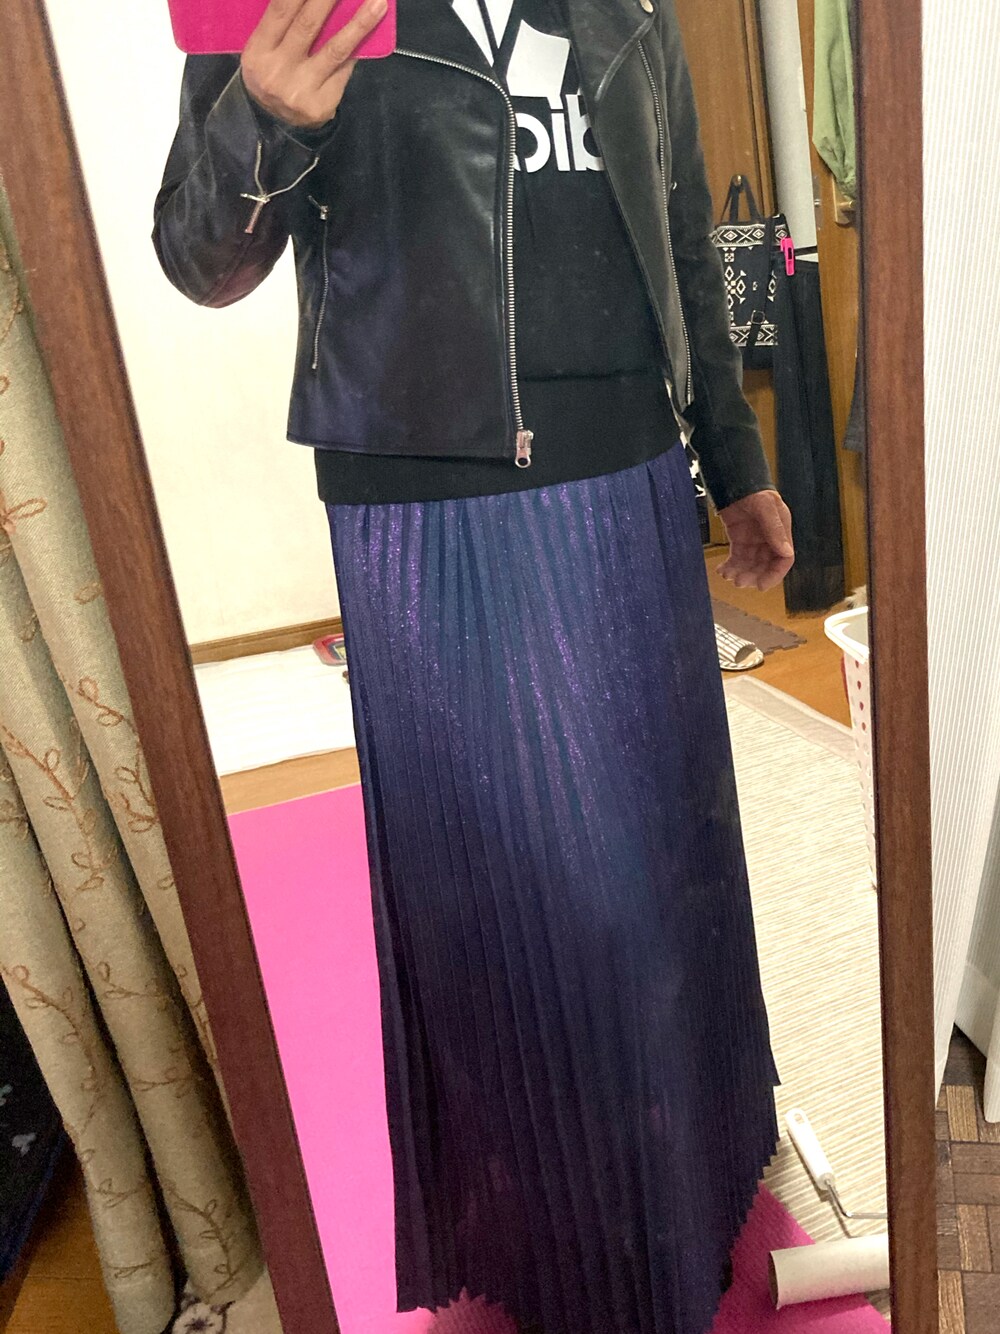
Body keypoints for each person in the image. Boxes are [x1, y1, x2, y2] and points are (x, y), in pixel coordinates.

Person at [153, 0, 794, 1330]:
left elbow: (679, 232)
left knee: (670, 868)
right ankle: (574, 1251)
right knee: (519, 902)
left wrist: (732, 460)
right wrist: (263, 121)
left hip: (630, 476)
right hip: (429, 492)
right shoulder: (297, 7)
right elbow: (198, 257)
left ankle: (698, 1174)